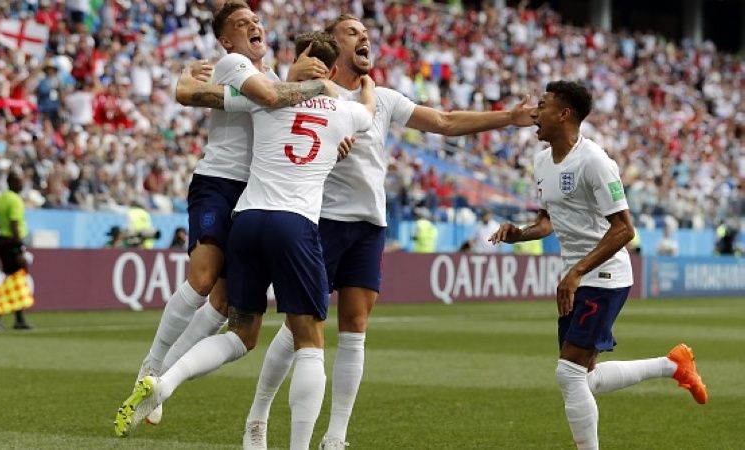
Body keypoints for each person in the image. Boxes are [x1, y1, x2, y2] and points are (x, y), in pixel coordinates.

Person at [237, 14, 537, 450]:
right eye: (352, 32)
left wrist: (507, 117)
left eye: (366, 32)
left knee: (355, 327)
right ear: (331, 44)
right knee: (301, 328)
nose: (364, 37)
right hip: (319, 220)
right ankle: (259, 414)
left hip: (369, 224)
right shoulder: (309, 94)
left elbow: (446, 121)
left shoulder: (384, 99)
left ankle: (336, 435)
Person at [114, 32, 375, 450]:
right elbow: (367, 111)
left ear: (298, 59)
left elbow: (205, 97)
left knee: (240, 332)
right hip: (295, 225)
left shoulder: (262, 98)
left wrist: (187, 80)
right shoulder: (343, 110)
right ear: (329, 70)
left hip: (248, 220)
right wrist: (365, 88)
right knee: (309, 341)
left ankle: (164, 381)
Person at [489, 81, 707, 450]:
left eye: (542, 106)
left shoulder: (595, 161)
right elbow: (548, 221)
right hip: (576, 276)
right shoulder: (542, 162)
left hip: (604, 275)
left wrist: (576, 273)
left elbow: (624, 229)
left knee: (568, 373)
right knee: (582, 377)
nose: (533, 114)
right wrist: (520, 234)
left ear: (564, 114)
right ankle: (673, 365)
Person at [0, 171, 32, 330]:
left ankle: (17, 318)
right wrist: (19, 246)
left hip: (2, 241)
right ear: (13, 183)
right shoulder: (15, 200)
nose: (22, 184)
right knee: (17, 278)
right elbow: (14, 224)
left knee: (14, 278)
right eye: (20, 181)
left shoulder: (0, 198)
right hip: (12, 242)